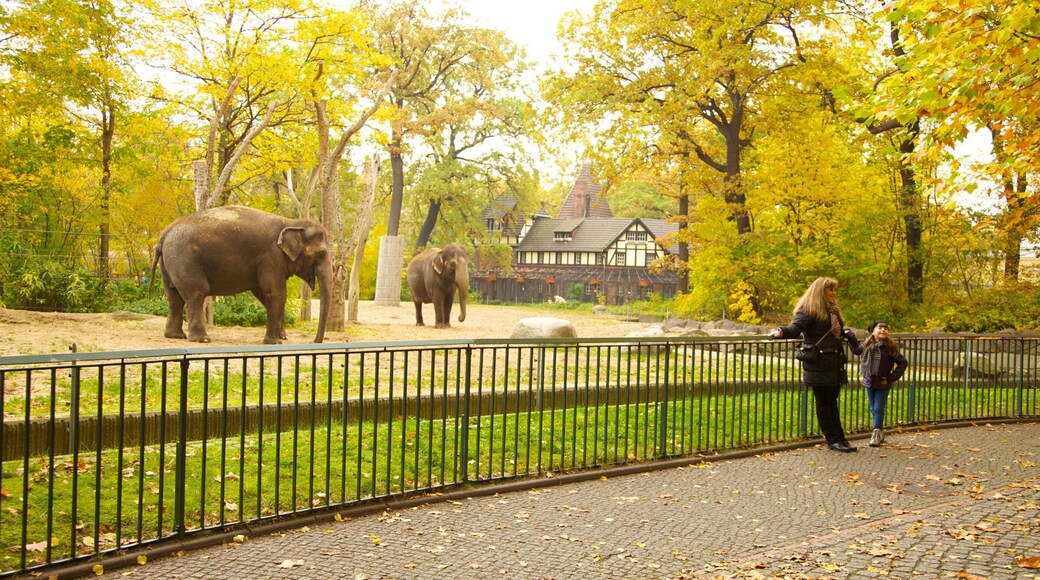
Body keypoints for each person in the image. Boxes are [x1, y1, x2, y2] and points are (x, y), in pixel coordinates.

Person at [770, 277, 858, 452]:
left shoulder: (832, 310)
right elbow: (795, 328)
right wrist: (780, 331)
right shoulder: (809, 310)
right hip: (819, 362)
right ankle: (833, 439)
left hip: (833, 362)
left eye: (834, 290)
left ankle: (840, 437)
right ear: (820, 291)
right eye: (830, 290)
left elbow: (836, 332)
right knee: (824, 401)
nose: (834, 293)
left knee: (831, 400)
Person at [847, 321, 908, 447]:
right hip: (869, 381)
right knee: (873, 408)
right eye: (880, 328)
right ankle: (880, 432)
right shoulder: (867, 345)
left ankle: (876, 434)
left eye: (885, 328)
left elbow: (903, 362)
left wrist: (891, 378)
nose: (883, 330)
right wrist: (850, 337)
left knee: (878, 408)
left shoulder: (890, 346)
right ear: (873, 331)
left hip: (882, 382)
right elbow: (856, 350)